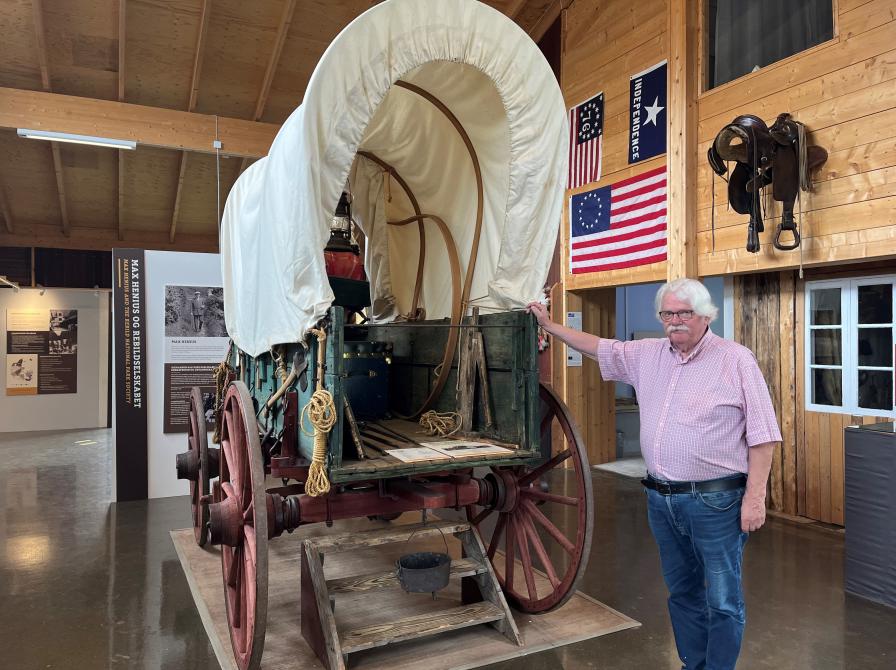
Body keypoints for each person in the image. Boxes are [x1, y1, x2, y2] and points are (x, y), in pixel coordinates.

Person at [528, 278, 781, 670]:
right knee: (681, 592)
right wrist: (548, 326)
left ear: (705, 315)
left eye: (684, 313)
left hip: (716, 502)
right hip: (661, 500)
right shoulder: (648, 355)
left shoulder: (735, 359)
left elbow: (764, 437)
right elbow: (597, 346)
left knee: (723, 599)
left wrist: (755, 498)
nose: (675, 321)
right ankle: (693, 664)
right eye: (668, 313)